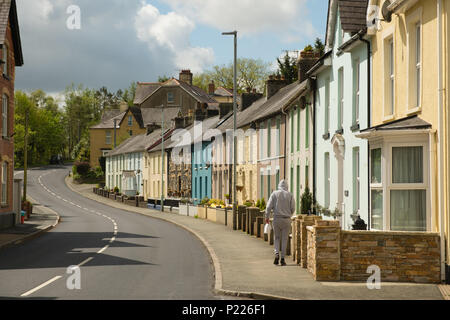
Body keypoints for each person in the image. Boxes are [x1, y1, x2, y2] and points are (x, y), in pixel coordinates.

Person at [265, 180, 295, 266]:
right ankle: (282, 258)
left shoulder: (274, 194)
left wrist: (267, 217)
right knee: (285, 238)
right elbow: (293, 208)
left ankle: (276, 253)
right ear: (287, 186)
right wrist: (289, 213)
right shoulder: (290, 195)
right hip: (286, 219)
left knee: (277, 237)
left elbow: (268, 206)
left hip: (276, 219)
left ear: (279, 185)